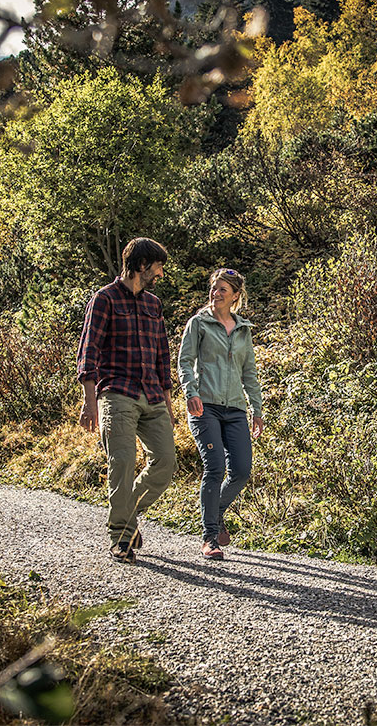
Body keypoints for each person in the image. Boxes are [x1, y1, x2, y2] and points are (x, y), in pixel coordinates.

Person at [77, 237, 177, 563]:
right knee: (121, 462)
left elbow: (163, 355)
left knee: (165, 462)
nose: (161, 273)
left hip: (152, 395)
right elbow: (88, 353)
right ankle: (121, 537)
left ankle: (126, 515)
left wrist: (168, 400)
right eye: (158, 266)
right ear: (142, 265)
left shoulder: (153, 304)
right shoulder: (103, 300)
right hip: (116, 393)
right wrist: (89, 402)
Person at [178, 267, 264, 560]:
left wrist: (257, 409)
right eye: (214, 288)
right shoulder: (198, 323)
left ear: (235, 296)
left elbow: (249, 373)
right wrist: (191, 392)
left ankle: (214, 511)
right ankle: (209, 537)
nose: (215, 294)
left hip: (236, 409)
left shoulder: (243, 330)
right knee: (215, 468)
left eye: (222, 290)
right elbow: (185, 361)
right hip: (206, 406)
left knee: (241, 470)